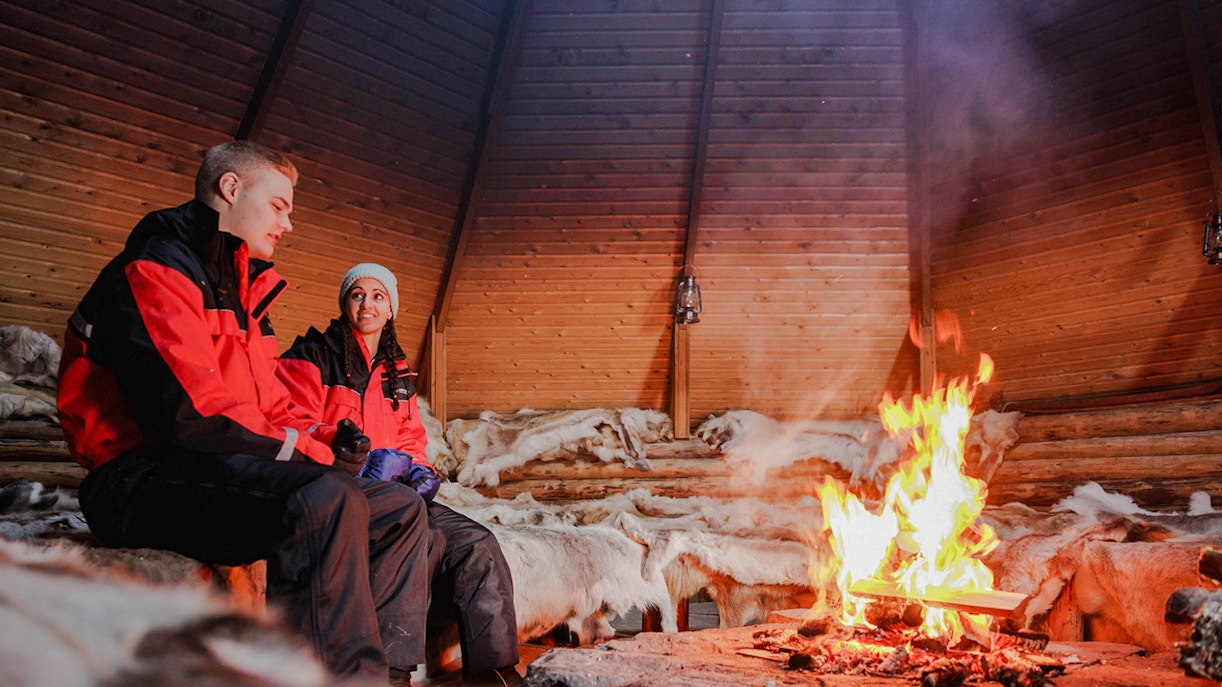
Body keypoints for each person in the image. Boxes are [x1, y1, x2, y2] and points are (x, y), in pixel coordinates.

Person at [56, 141, 431, 686]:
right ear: (231, 190)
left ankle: (391, 676)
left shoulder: (244, 294)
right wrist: (317, 455)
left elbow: (273, 408)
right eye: (280, 205)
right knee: (323, 497)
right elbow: (192, 415)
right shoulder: (157, 267)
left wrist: (335, 437)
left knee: (398, 508)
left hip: (213, 469)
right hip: (136, 477)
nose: (289, 223)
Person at [276, 263, 523, 686]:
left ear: (391, 309)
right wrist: (346, 450)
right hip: (341, 488)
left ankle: (493, 670)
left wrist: (419, 469)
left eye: (377, 296)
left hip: (398, 491)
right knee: (421, 539)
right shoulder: (314, 354)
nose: (366, 303)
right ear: (344, 304)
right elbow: (289, 420)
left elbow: (410, 435)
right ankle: (390, 674)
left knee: (477, 542)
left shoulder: (397, 371)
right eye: (357, 294)